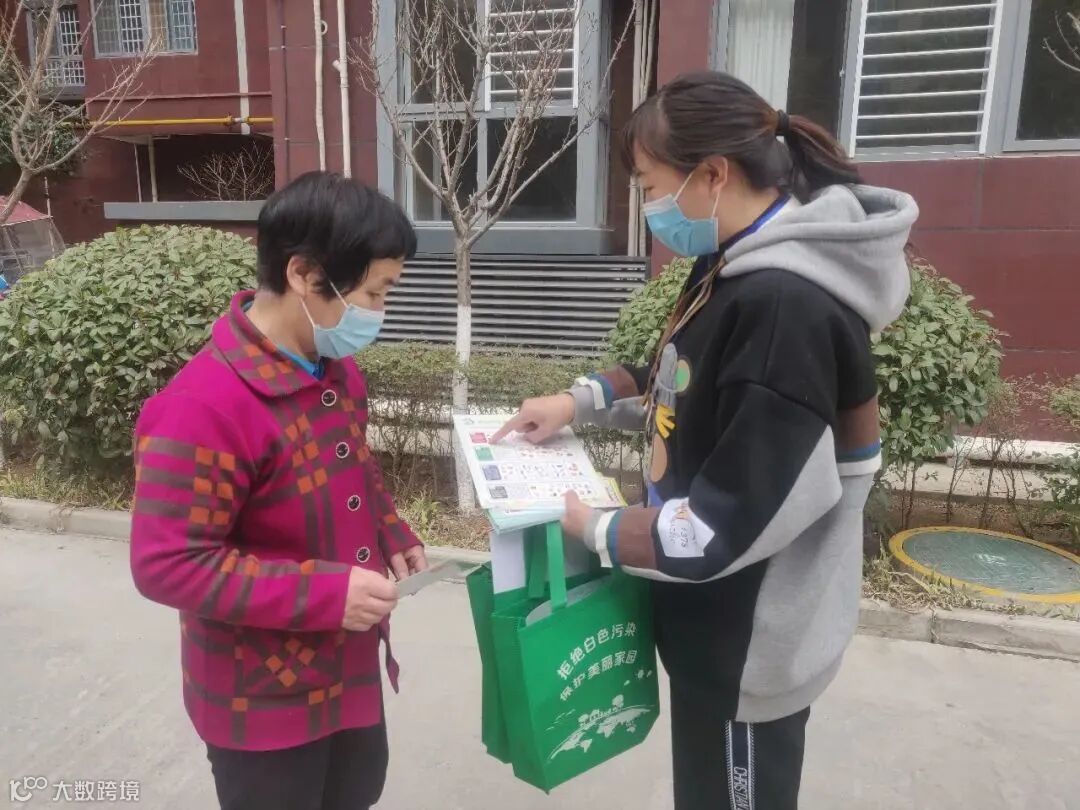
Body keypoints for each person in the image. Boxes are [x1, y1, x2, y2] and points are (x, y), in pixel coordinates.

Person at [495, 71, 918, 809]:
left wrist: (594, 527)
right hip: (710, 624)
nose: (648, 206)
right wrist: (577, 401)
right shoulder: (729, 263)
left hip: (749, 642)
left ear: (713, 175)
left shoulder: (786, 308)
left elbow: (727, 524)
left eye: (649, 185)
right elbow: (682, 385)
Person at [129, 171, 427, 810]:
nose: (380, 311)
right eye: (374, 293)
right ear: (303, 274)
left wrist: (388, 527)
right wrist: (326, 594)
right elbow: (167, 564)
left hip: (345, 666)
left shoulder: (333, 369)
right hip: (259, 700)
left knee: (354, 794)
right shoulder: (203, 406)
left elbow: (354, 462)